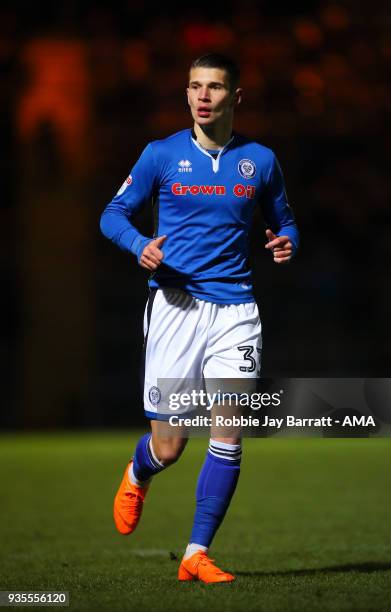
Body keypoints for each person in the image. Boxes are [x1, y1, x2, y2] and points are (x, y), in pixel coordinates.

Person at [100, 53, 299, 583]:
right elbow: (112, 214)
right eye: (195, 87)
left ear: (236, 98)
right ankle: (140, 470)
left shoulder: (260, 160)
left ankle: (196, 553)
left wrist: (287, 243)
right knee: (170, 444)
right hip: (175, 308)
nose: (203, 96)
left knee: (229, 431)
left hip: (236, 310)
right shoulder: (161, 155)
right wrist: (139, 243)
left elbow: (286, 221)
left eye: (214, 87)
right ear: (187, 95)